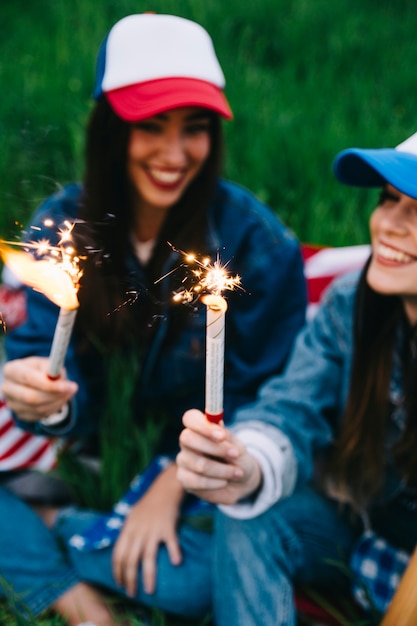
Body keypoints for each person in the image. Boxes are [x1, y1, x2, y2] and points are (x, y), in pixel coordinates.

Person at [0, 12, 306, 626]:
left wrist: (172, 480)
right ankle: (79, 599)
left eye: (194, 129)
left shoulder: (260, 247)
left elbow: (267, 399)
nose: (174, 154)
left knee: (192, 586)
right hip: (87, 455)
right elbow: (41, 361)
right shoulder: (61, 228)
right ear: (111, 129)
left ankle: (53, 527)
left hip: (201, 479)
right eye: (151, 126)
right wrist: (46, 399)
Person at [177, 131, 417, 625]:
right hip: (367, 530)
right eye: (388, 200)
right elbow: (291, 406)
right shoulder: (353, 304)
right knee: (247, 515)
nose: (390, 225)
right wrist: (246, 465)